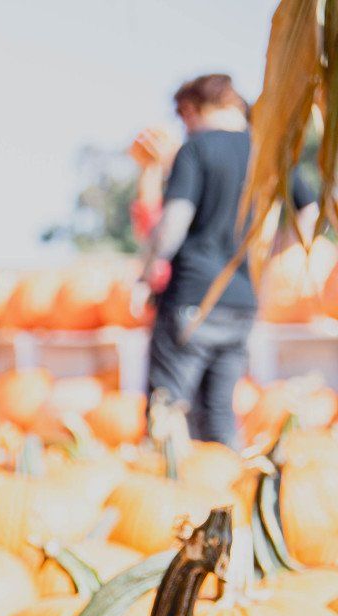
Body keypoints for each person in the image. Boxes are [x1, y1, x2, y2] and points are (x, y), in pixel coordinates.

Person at [140, 73, 318, 446]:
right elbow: (310, 211)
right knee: (220, 415)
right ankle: (226, 495)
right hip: (242, 303)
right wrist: (268, 254)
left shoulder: (197, 149)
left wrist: (144, 276)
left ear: (191, 109)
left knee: (167, 410)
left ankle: (170, 490)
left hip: (193, 298)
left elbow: (173, 223)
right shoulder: (270, 150)